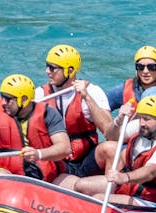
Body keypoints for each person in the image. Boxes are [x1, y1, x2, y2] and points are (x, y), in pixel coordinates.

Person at [67, 94, 156, 207]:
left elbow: (149, 172)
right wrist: (118, 120)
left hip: (154, 199)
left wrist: (124, 177)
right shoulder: (143, 128)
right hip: (134, 186)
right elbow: (111, 136)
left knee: (98, 199)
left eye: (147, 119)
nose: (142, 123)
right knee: (81, 186)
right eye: (141, 117)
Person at [38, 44, 112, 176]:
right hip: (56, 160)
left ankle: (108, 188)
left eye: (52, 68)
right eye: (47, 66)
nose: (47, 71)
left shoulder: (92, 91)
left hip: (85, 159)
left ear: (70, 71)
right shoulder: (40, 95)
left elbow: (108, 130)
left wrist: (87, 98)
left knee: (110, 148)